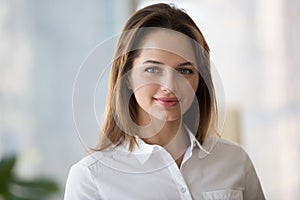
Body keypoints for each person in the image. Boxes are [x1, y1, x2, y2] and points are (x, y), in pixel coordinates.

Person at [64, 3, 265, 200]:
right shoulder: (90, 178)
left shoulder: (235, 161)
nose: (170, 85)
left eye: (185, 70)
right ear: (127, 78)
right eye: (153, 69)